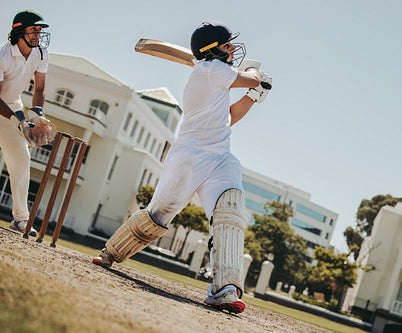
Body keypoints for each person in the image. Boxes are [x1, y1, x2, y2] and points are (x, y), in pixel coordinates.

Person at [93, 21, 272, 314]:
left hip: (219, 157)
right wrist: (257, 78)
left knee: (230, 210)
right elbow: (251, 78)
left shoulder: (214, 74)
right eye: (227, 45)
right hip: (188, 158)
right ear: (213, 51)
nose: (232, 50)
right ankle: (111, 252)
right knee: (158, 215)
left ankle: (225, 288)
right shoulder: (213, 71)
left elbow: (227, 118)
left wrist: (253, 96)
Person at [0, 10, 56, 236]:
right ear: (19, 30)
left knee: (21, 159)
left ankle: (20, 220)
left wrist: (37, 113)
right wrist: (20, 119)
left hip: (13, 106)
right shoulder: (3, 56)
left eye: (40, 30)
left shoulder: (41, 53)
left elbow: (40, 89)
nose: (38, 34)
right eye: (34, 30)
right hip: (5, 107)